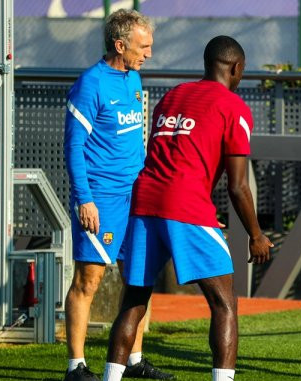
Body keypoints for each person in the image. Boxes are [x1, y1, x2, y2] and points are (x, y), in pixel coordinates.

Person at [101, 35, 273, 381]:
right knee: (224, 303)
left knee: (134, 299)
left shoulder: (171, 96)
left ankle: (110, 377)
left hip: (145, 202)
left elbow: (168, 155)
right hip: (186, 206)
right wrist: (256, 234)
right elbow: (238, 186)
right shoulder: (234, 107)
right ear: (236, 68)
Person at [63, 9, 173, 381]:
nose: (149, 54)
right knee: (88, 280)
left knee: (137, 277)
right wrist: (85, 199)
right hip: (102, 199)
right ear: (120, 44)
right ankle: (76, 366)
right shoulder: (90, 84)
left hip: (136, 196)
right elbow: (73, 147)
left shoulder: (134, 79)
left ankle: (134, 358)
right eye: (143, 47)